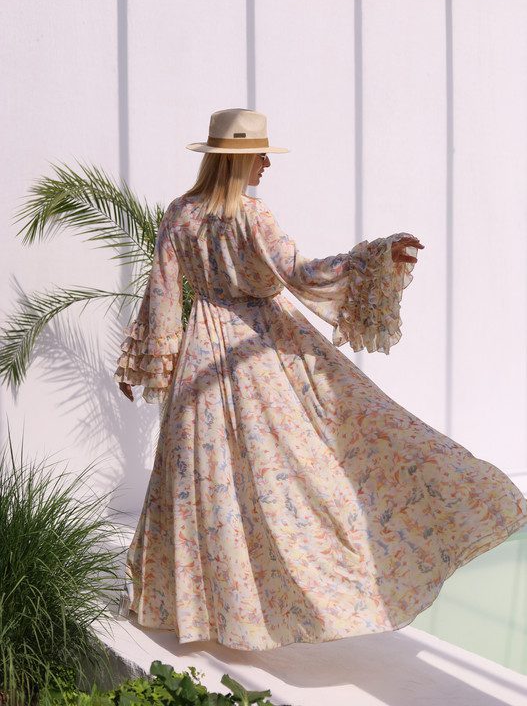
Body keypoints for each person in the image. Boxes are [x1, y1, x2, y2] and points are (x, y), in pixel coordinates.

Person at [114, 107, 527, 652]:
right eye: (260, 154)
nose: (266, 162)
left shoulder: (179, 214)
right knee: (297, 469)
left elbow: (163, 296)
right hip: (260, 348)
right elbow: (301, 274)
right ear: (237, 160)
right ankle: (296, 592)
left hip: (201, 353)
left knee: (210, 480)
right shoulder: (252, 216)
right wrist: (373, 258)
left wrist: (149, 362)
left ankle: (203, 608)